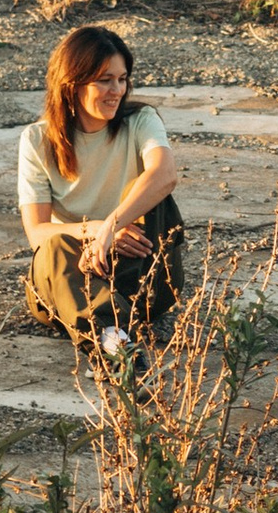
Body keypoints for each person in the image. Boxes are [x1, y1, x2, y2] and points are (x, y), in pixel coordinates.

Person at [18, 24, 184, 358]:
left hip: (136, 272)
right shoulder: (38, 140)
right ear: (72, 83)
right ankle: (112, 338)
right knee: (54, 246)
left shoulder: (141, 120)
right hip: (70, 276)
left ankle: (114, 320)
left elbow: (165, 173)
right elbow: (36, 233)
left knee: (154, 195)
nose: (117, 90)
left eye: (122, 79)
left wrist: (112, 227)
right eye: (104, 80)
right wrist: (94, 231)